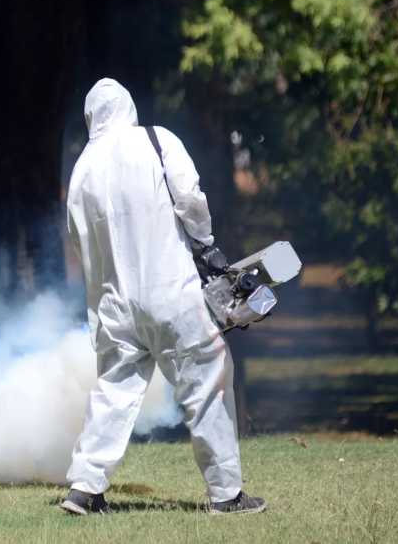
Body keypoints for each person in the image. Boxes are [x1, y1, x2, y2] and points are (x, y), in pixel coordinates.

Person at [60, 78, 266, 517]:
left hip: (114, 303)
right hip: (171, 292)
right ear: (129, 108)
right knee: (208, 382)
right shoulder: (156, 140)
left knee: (113, 392)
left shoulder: (82, 169)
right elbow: (189, 197)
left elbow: (80, 242)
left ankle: (84, 488)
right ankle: (227, 495)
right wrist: (206, 242)